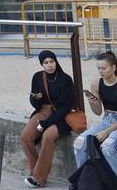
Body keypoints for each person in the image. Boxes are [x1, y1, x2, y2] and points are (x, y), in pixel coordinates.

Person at [21, 50, 75, 188]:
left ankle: (39, 178)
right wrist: (35, 99)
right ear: (42, 64)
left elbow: (66, 107)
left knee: (48, 136)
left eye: (52, 61)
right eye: (46, 63)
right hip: (43, 111)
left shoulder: (66, 79)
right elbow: (35, 104)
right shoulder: (38, 77)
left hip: (61, 116)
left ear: (56, 62)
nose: (50, 65)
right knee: (26, 136)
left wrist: (46, 124)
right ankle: (35, 170)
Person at [73, 51, 117, 178]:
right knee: (79, 142)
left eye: (103, 68)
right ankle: (84, 179)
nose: (101, 71)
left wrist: (107, 131)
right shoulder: (96, 83)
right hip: (106, 120)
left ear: (113, 67)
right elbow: (98, 112)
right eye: (98, 68)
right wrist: (92, 102)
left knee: (107, 147)